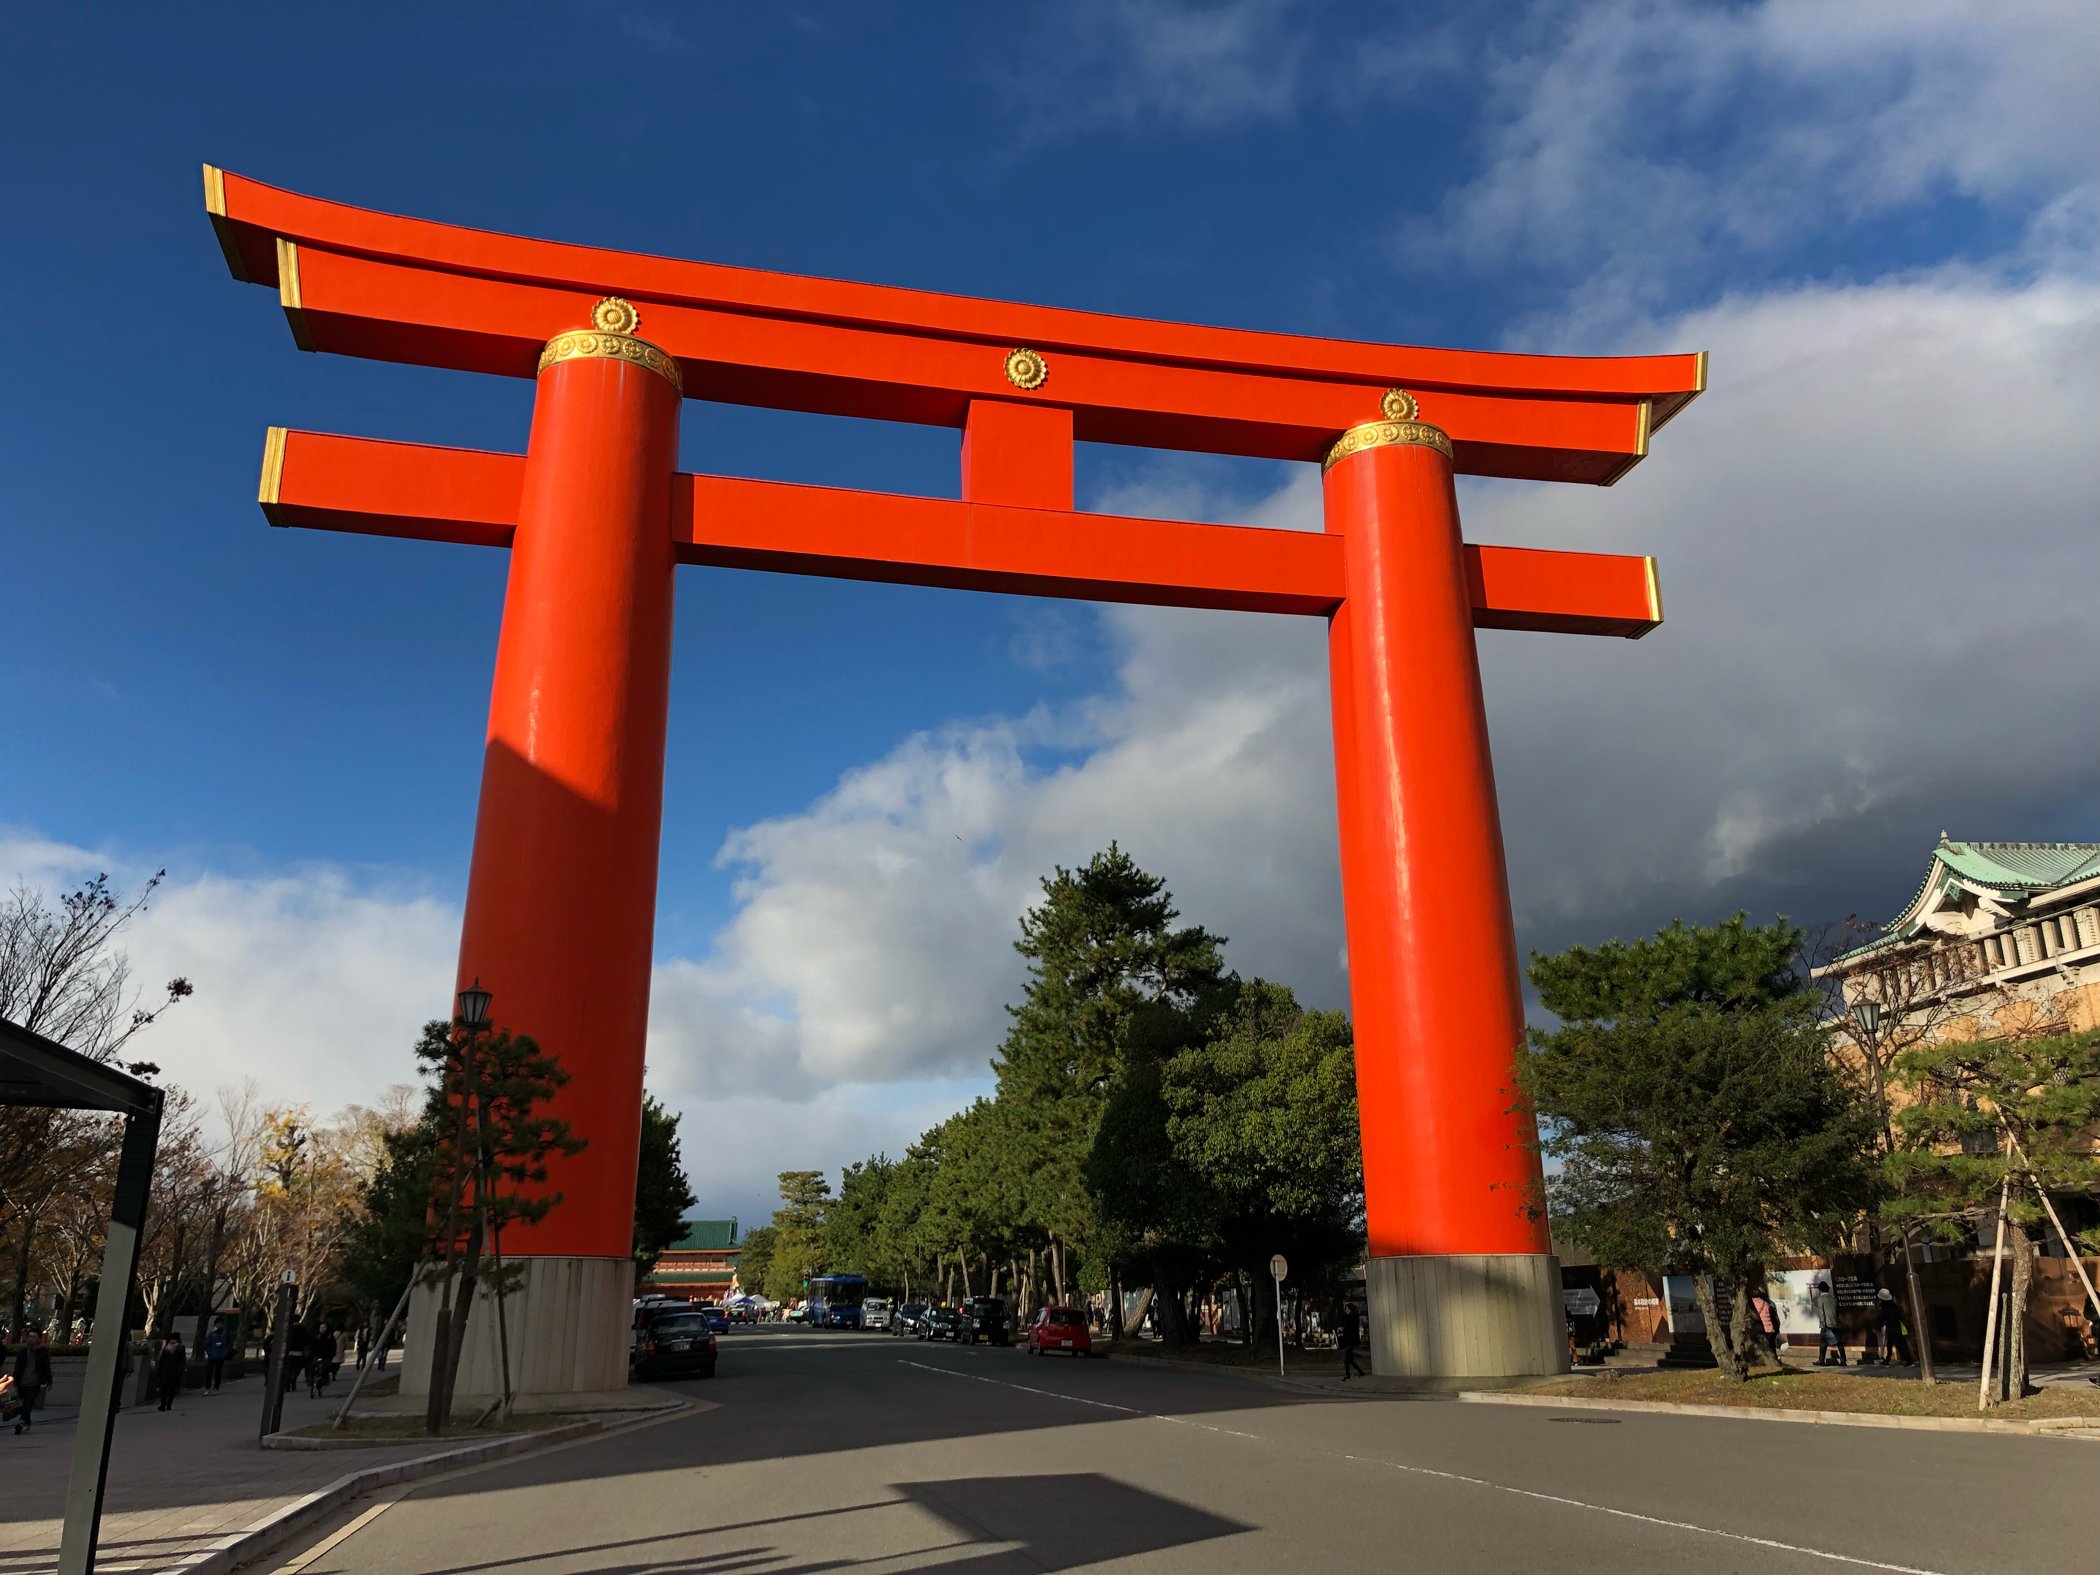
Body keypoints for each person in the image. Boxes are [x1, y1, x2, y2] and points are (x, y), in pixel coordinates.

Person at [12, 1329, 52, 1434]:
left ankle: (21, 1422)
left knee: (29, 1402)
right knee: (23, 1404)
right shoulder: (22, 1352)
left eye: (33, 1337)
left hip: (35, 1382)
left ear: (39, 1339)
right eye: (29, 1337)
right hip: (22, 1381)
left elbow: (46, 1367)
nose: (31, 1339)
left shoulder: (43, 1352)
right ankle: (27, 1421)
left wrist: (49, 1381)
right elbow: (17, 1367)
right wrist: (14, 1380)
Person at [1875, 1287, 1911, 1366]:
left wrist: (1880, 1324)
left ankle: (1907, 1360)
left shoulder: (1884, 1306)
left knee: (1896, 1344)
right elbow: (1900, 1316)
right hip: (1896, 1326)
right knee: (1894, 1344)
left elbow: (1882, 1317)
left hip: (1891, 1326)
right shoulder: (1894, 1305)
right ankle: (1891, 1360)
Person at [1813, 1279, 1844, 1366]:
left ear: (1820, 1290)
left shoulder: (1820, 1299)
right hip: (1836, 1323)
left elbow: (1821, 1313)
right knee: (1839, 1343)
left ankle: (1821, 1361)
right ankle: (1843, 1360)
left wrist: (1823, 1325)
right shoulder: (1834, 1299)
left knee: (1823, 1343)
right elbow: (1837, 1313)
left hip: (1826, 1324)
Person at [154, 1331, 187, 1411]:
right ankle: (162, 1404)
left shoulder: (181, 1348)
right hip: (165, 1370)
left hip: (174, 1371)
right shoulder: (166, 1348)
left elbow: (182, 1360)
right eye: (171, 1339)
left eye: (174, 1339)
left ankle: (169, 1404)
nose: (173, 1341)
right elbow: (161, 1360)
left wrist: (180, 1370)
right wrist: (159, 1370)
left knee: (171, 1389)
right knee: (163, 1388)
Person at [203, 1318, 234, 1393]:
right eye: (218, 1323)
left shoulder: (226, 1333)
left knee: (218, 1372)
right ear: (215, 1324)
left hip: (221, 1356)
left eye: (221, 1323)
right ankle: (207, 1387)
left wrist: (225, 1352)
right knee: (209, 1371)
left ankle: (216, 1387)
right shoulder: (211, 1334)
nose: (219, 1325)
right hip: (212, 1356)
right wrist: (210, 1352)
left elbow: (230, 1343)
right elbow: (206, 1344)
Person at [1338, 1301, 1367, 1381]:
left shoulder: (1352, 1318)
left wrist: (1342, 1329)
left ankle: (1348, 1376)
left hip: (1351, 1341)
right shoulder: (1351, 1318)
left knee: (1346, 1358)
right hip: (1350, 1340)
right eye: (1345, 1309)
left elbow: (1350, 1329)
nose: (1346, 1310)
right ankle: (1361, 1372)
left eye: (1347, 1309)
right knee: (1350, 1360)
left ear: (1350, 1309)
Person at [309, 1322, 338, 1398]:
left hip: (326, 1356)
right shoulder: (316, 1336)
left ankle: (324, 1381)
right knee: (312, 1368)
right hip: (316, 1355)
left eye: (324, 1327)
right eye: (321, 1327)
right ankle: (312, 1381)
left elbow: (333, 1347)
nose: (322, 1329)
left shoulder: (330, 1337)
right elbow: (311, 1346)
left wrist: (331, 1355)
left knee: (325, 1369)